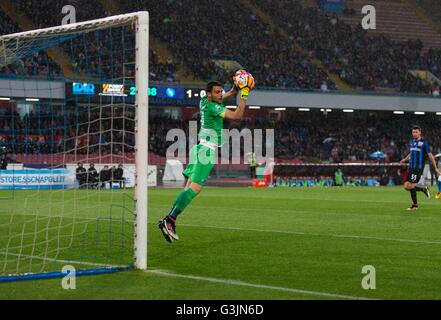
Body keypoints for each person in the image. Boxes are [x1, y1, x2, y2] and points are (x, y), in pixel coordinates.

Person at [158, 72, 255, 243]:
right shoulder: (213, 107)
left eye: (220, 91)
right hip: (206, 151)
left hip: (198, 148)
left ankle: (169, 219)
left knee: (187, 187)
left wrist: (235, 88)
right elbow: (237, 116)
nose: (220, 94)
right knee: (195, 188)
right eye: (217, 92)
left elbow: (229, 94)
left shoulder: (204, 101)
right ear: (209, 94)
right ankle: (170, 220)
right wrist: (244, 93)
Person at [400, 125, 439, 210]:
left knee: (410, 185)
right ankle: (423, 189)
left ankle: (415, 205)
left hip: (418, 168)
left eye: (416, 132)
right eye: (413, 132)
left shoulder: (424, 143)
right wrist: (405, 159)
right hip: (411, 167)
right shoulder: (412, 142)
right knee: (406, 186)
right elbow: (411, 154)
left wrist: (435, 167)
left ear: (420, 132)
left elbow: (430, 155)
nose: (414, 133)